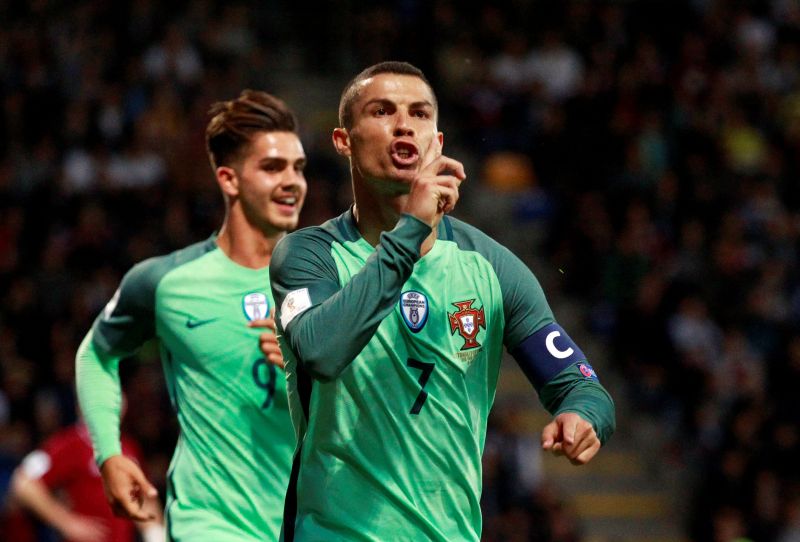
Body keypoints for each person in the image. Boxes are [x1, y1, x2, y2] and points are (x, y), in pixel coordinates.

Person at [270, 61, 616, 541]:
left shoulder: (491, 268)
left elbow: (582, 386)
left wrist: (582, 416)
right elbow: (322, 352)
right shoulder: (309, 256)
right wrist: (411, 230)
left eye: (419, 113)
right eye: (383, 111)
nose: (404, 124)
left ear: (438, 141)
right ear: (343, 141)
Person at [75, 90, 307, 541]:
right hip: (209, 523)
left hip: (310, 524)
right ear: (229, 178)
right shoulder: (167, 282)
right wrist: (109, 453)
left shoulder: (329, 286)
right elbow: (96, 355)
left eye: (298, 168)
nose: (292, 181)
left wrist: (310, 372)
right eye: (272, 167)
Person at [10, 418, 164, 542]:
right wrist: (67, 522)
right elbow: (23, 482)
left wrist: (155, 533)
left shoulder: (128, 446)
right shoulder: (71, 443)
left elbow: (143, 496)